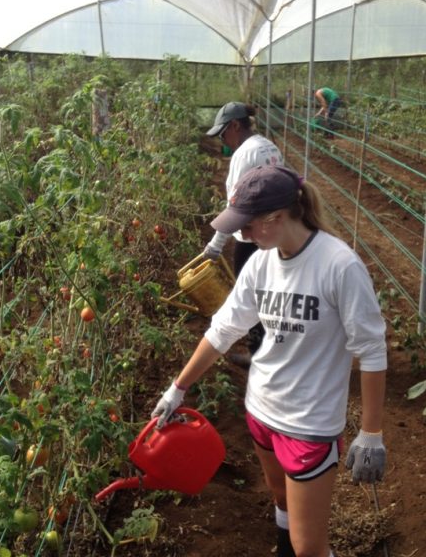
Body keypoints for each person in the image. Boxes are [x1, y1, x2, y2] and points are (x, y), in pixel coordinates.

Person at [152, 164, 387, 557]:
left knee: (309, 546)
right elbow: (222, 331)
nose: (240, 236)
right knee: (280, 501)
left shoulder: (339, 266)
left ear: (277, 217)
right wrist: (177, 389)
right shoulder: (261, 263)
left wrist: (372, 434)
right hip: (261, 412)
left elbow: (372, 349)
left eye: (246, 226)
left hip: (308, 425)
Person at [203, 101, 284, 365]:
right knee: (269, 290)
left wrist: (216, 245)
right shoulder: (268, 146)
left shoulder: (244, 154)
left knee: (250, 292)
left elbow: (235, 203)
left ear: (235, 126)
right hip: (273, 230)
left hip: (252, 234)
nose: (222, 140)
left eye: (223, 133)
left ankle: (257, 354)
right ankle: (270, 348)